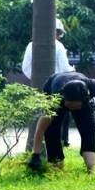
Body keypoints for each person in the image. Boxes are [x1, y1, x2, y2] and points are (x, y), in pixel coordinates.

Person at [27, 72, 95, 173]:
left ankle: (91, 171)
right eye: (69, 105)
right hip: (54, 85)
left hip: (83, 97)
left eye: (75, 106)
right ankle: (56, 167)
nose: (72, 109)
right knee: (52, 130)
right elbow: (41, 128)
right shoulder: (55, 102)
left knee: (89, 132)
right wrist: (35, 155)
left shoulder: (90, 87)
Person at [22, 18, 75, 147]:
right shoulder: (59, 46)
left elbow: (25, 68)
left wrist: (36, 80)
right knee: (62, 111)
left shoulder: (31, 45)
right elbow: (64, 68)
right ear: (56, 32)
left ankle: (37, 142)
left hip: (37, 85)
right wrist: (72, 70)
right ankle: (63, 140)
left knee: (40, 113)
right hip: (57, 85)